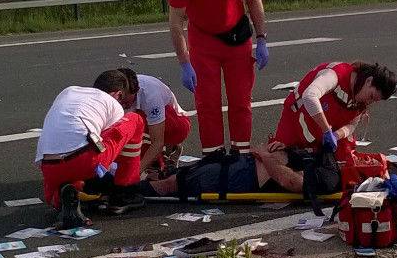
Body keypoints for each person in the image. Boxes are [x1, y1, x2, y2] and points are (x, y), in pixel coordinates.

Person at [167, 0, 269, 161]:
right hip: (204, 41)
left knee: (241, 100)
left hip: (237, 38)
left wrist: (262, 38)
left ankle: (240, 153)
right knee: (207, 104)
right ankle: (213, 156)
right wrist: (184, 62)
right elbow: (175, 22)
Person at [36, 68, 147, 228]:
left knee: (66, 174)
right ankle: (126, 192)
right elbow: (110, 142)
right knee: (135, 120)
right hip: (84, 162)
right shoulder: (113, 104)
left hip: (49, 168)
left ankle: (63, 196)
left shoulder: (68, 91)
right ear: (119, 95)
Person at [268, 61, 397, 153]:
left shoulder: (360, 97)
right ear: (368, 81)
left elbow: (352, 125)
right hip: (296, 122)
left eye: (374, 101)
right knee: (279, 158)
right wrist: (326, 130)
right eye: (371, 96)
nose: (369, 102)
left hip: (323, 136)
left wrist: (336, 135)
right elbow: (310, 96)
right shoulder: (336, 74)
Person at [138, 144, 336, 199]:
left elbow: (291, 182)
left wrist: (264, 155)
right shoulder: (322, 154)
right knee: (176, 176)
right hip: (241, 166)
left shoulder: (330, 176)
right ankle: (126, 186)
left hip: (243, 177)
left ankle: (122, 190)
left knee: (172, 183)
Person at [136, 70, 193, 179]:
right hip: (155, 119)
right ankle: (165, 152)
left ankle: (163, 157)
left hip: (174, 123)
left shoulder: (150, 97)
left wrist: (135, 173)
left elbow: (157, 142)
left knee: (138, 125)